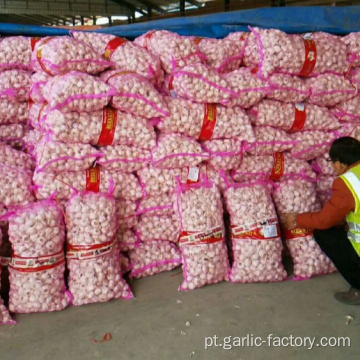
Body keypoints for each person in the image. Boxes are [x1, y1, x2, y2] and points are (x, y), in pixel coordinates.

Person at [283, 137, 360, 305]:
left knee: (325, 233)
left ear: (339, 163)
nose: (332, 166)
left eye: (331, 162)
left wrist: (296, 219)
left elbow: (324, 221)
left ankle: (358, 286)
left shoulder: (348, 183)